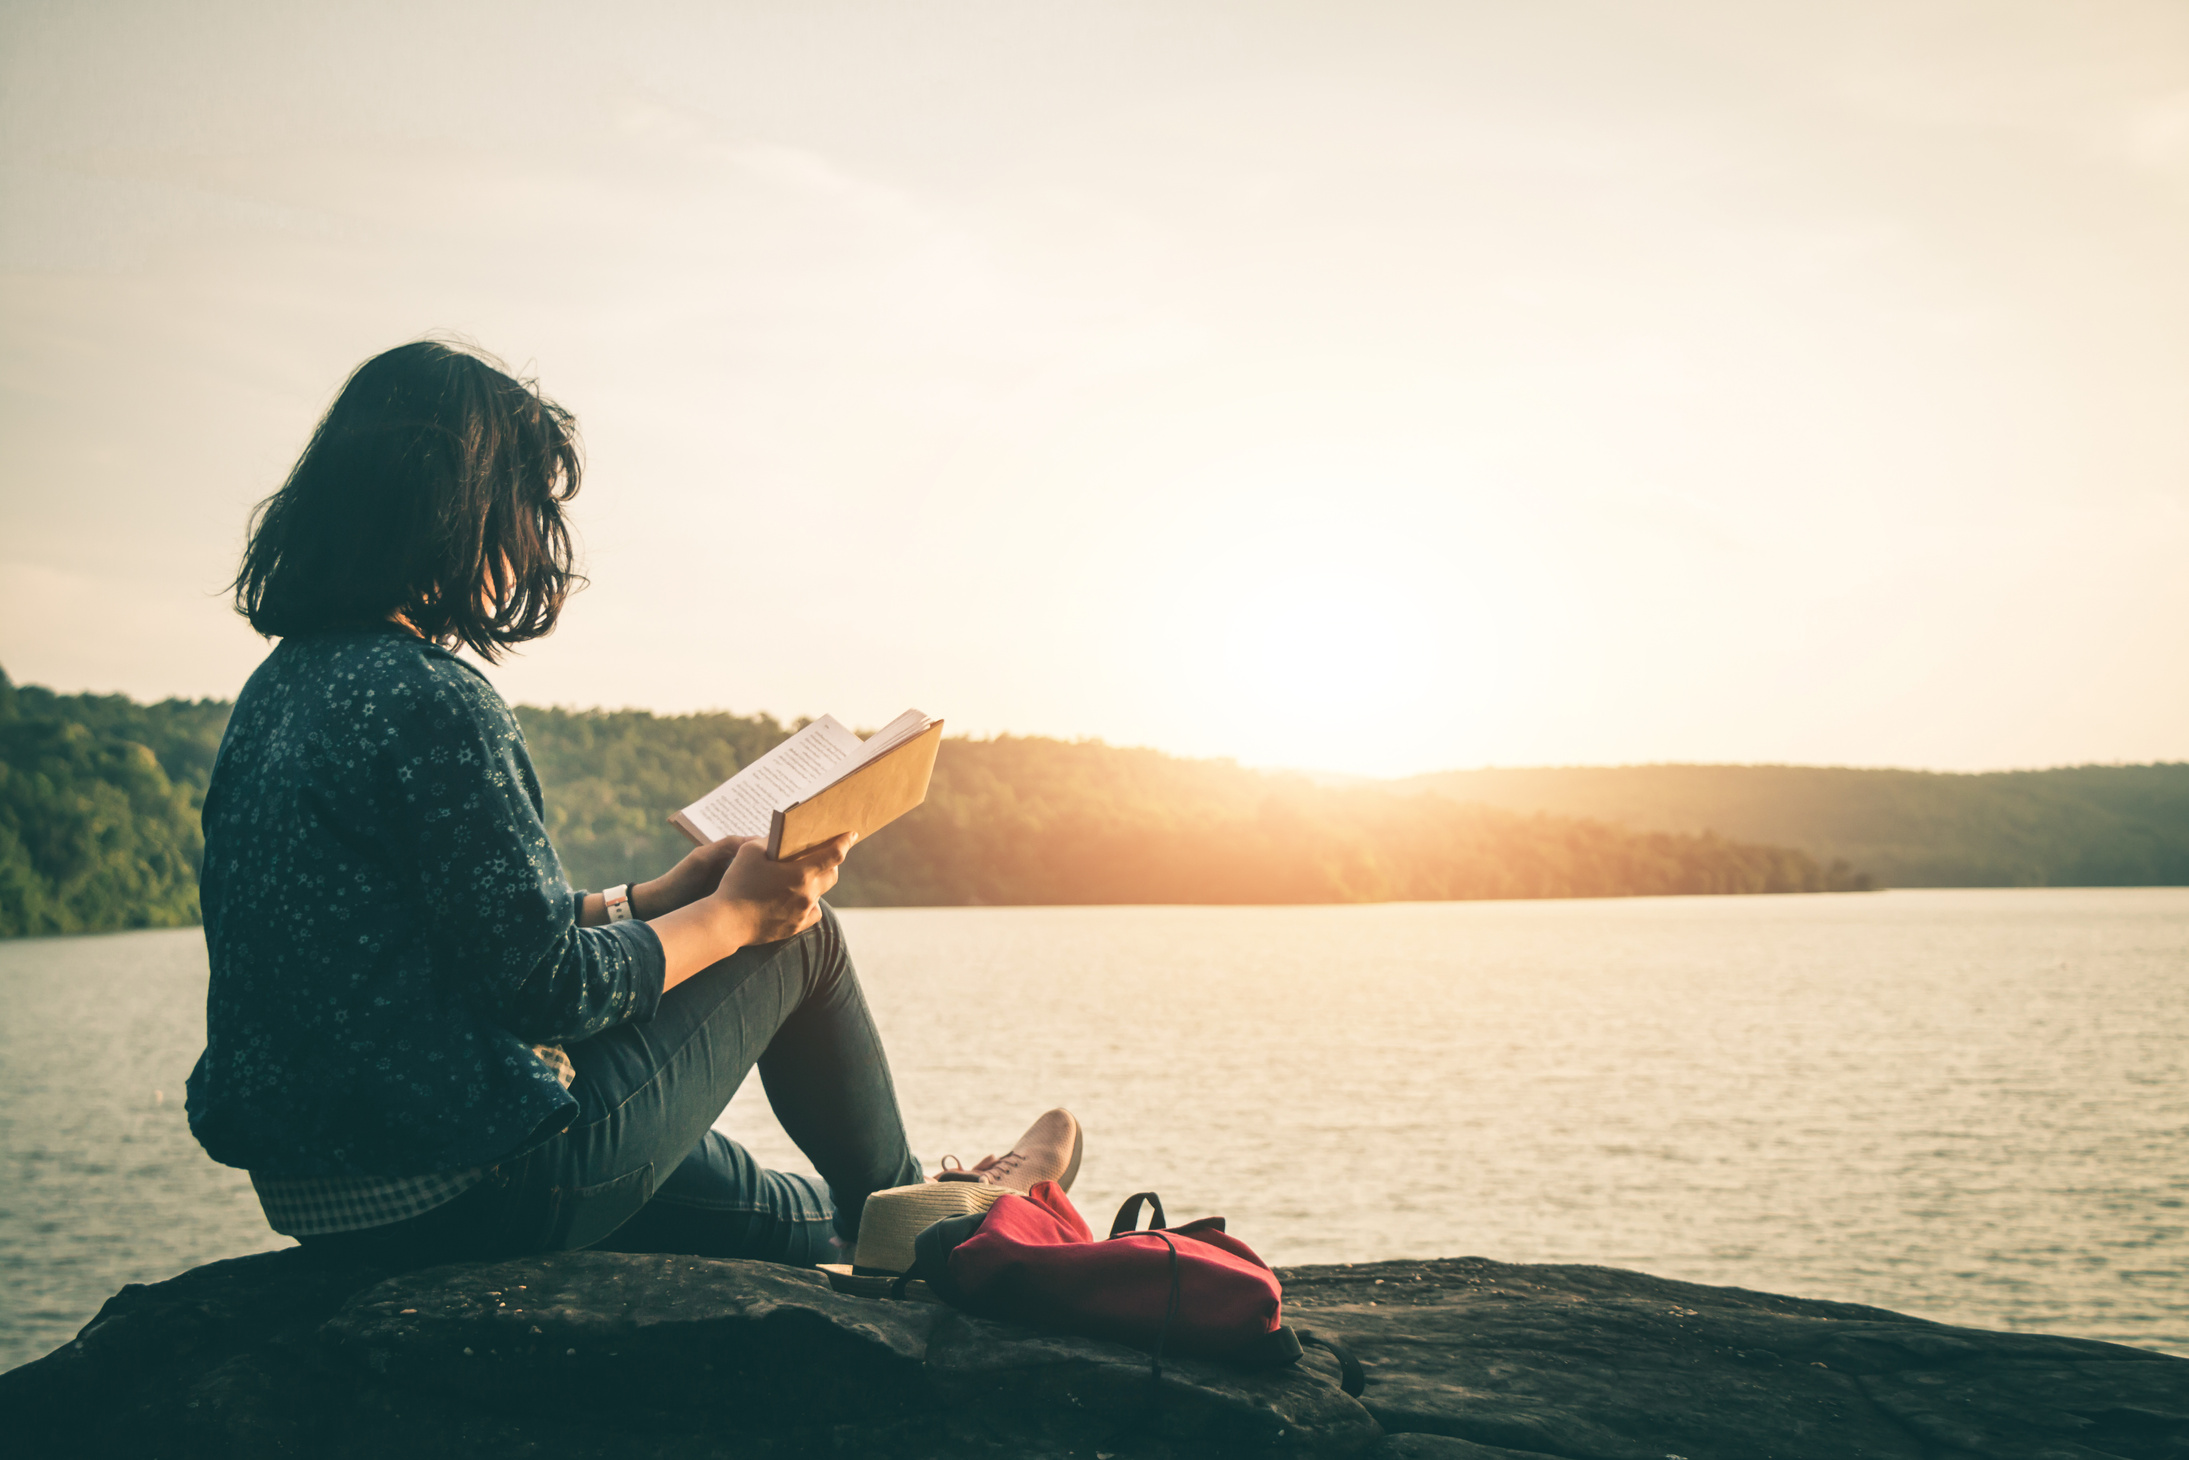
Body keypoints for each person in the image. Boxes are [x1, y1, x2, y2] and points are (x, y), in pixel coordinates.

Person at [185, 339, 1080, 1268]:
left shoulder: (277, 695)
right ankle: (932, 1232)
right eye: (527, 503)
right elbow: (545, 990)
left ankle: (929, 1206)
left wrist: (652, 900)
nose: (534, 535)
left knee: (788, 1208)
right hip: (480, 1182)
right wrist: (737, 916)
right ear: (464, 505)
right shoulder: (430, 697)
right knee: (802, 936)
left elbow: (444, 946)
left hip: (333, 1201)